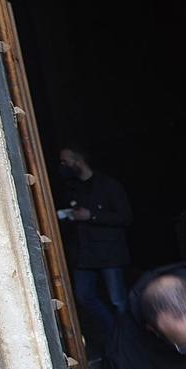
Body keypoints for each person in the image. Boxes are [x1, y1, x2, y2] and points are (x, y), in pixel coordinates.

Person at [56, 147, 133, 351]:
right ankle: (114, 333)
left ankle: (129, 342)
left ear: (78, 160)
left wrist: (92, 216)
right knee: (83, 296)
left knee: (118, 301)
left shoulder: (108, 186)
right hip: (84, 254)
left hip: (109, 254)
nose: (63, 166)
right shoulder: (71, 189)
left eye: (66, 161)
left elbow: (124, 217)